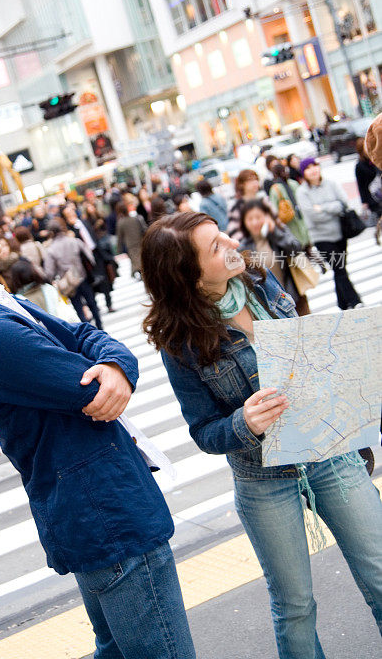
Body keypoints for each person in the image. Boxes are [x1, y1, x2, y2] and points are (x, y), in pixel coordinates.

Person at [0, 183, 196, 659]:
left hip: (92, 513)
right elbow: (89, 386)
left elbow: (86, 334)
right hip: (107, 514)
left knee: (116, 650)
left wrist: (115, 365)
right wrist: (114, 368)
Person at [140, 211, 382, 659]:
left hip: (328, 452)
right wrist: (244, 424)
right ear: (187, 275)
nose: (232, 243)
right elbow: (204, 432)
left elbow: (307, 352)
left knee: (380, 575)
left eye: (223, 234)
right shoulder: (181, 343)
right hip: (263, 481)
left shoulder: (258, 280)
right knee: (295, 608)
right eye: (215, 247)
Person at [296, 158, 362, 310]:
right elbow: (313, 216)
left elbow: (343, 203)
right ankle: (355, 300)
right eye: (308, 168)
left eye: (315, 166)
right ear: (303, 173)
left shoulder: (330, 183)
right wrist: (332, 209)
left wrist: (323, 208)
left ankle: (342, 303)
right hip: (322, 238)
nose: (313, 170)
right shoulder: (302, 192)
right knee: (339, 268)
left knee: (340, 268)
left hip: (340, 233)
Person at [239, 199, 310, 316]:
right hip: (270, 306)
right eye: (250, 219)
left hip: (293, 298)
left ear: (266, 216)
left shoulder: (278, 232)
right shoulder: (243, 248)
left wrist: (275, 232)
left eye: (258, 217)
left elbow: (296, 249)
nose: (255, 222)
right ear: (244, 222)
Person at [44, 221, 104, 330]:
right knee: (92, 303)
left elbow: (49, 272)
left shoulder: (51, 249)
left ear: (51, 233)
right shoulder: (74, 241)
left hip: (68, 282)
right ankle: (100, 326)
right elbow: (90, 257)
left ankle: (88, 330)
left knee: (78, 308)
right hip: (82, 276)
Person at [268, 162, 311, 249]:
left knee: (299, 246)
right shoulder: (293, 183)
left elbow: (274, 209)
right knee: (307, 245)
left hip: (289, 221)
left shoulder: (275, 189)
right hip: (299, 216)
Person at [227, 169, 271, 241]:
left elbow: (276, 221)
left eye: (256, 179)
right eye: (250, 180)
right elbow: (234, 233)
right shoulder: (237, 207)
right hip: (253, 248)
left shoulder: (264, 200)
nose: (255, 183)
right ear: (241, 184)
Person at [116, 202, 146, 278]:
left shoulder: (120, 223)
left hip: (130, 245)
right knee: (142, 260)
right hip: (139, 242)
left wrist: (119, 250)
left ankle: (138, 274)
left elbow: (119, 238)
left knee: (137, 261)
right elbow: (142, 230)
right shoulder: (135, 218)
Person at [355, 137, 382, 220]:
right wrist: (364, 202)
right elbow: (361, 186)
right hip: (373, 199)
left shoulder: (377, 158)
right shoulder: (360, 166)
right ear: (361, 151)